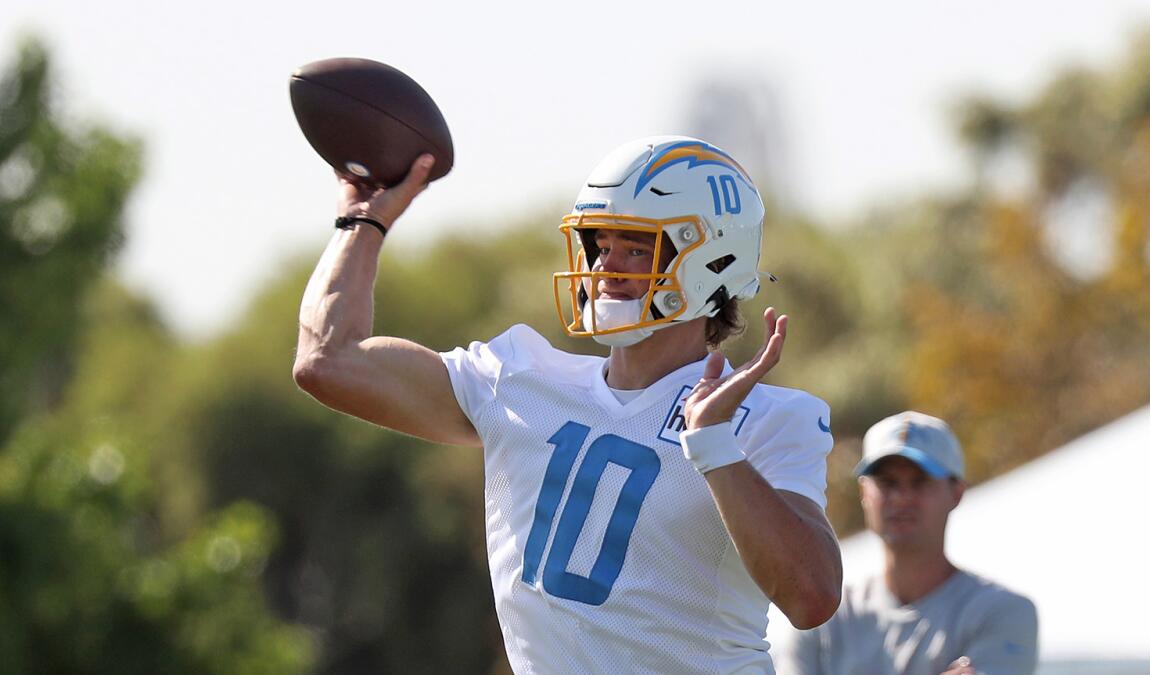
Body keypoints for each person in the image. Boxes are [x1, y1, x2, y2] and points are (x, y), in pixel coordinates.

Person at [292, 135, 843, 673]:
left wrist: (716, 448)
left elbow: (811, 598)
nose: (606, 269)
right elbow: (328, 362)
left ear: (715, 263)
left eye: (636, 248)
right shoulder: (520, 378)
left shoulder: (763, 416)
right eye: (601, 246)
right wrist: (362, 222)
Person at [778, 411, 1038, 675]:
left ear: (957, 493)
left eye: (920, 482)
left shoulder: (1003, 611)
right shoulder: (824, 614)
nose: (901, 498)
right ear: (863, 492)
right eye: (887, 483)